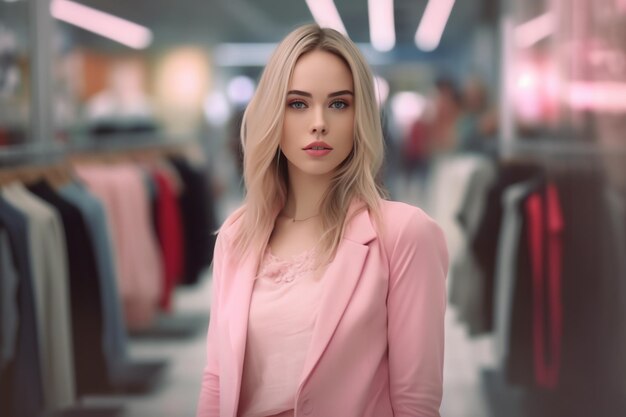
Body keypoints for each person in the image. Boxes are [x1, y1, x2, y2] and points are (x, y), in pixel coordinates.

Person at [197, 24, 448, 417]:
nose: (319, 122)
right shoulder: (238, 235)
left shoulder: (403, 234)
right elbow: (216, 381)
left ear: (360, 115)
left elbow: (416, 402)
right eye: (297, 103)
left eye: (338, 104)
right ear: (272, 114)